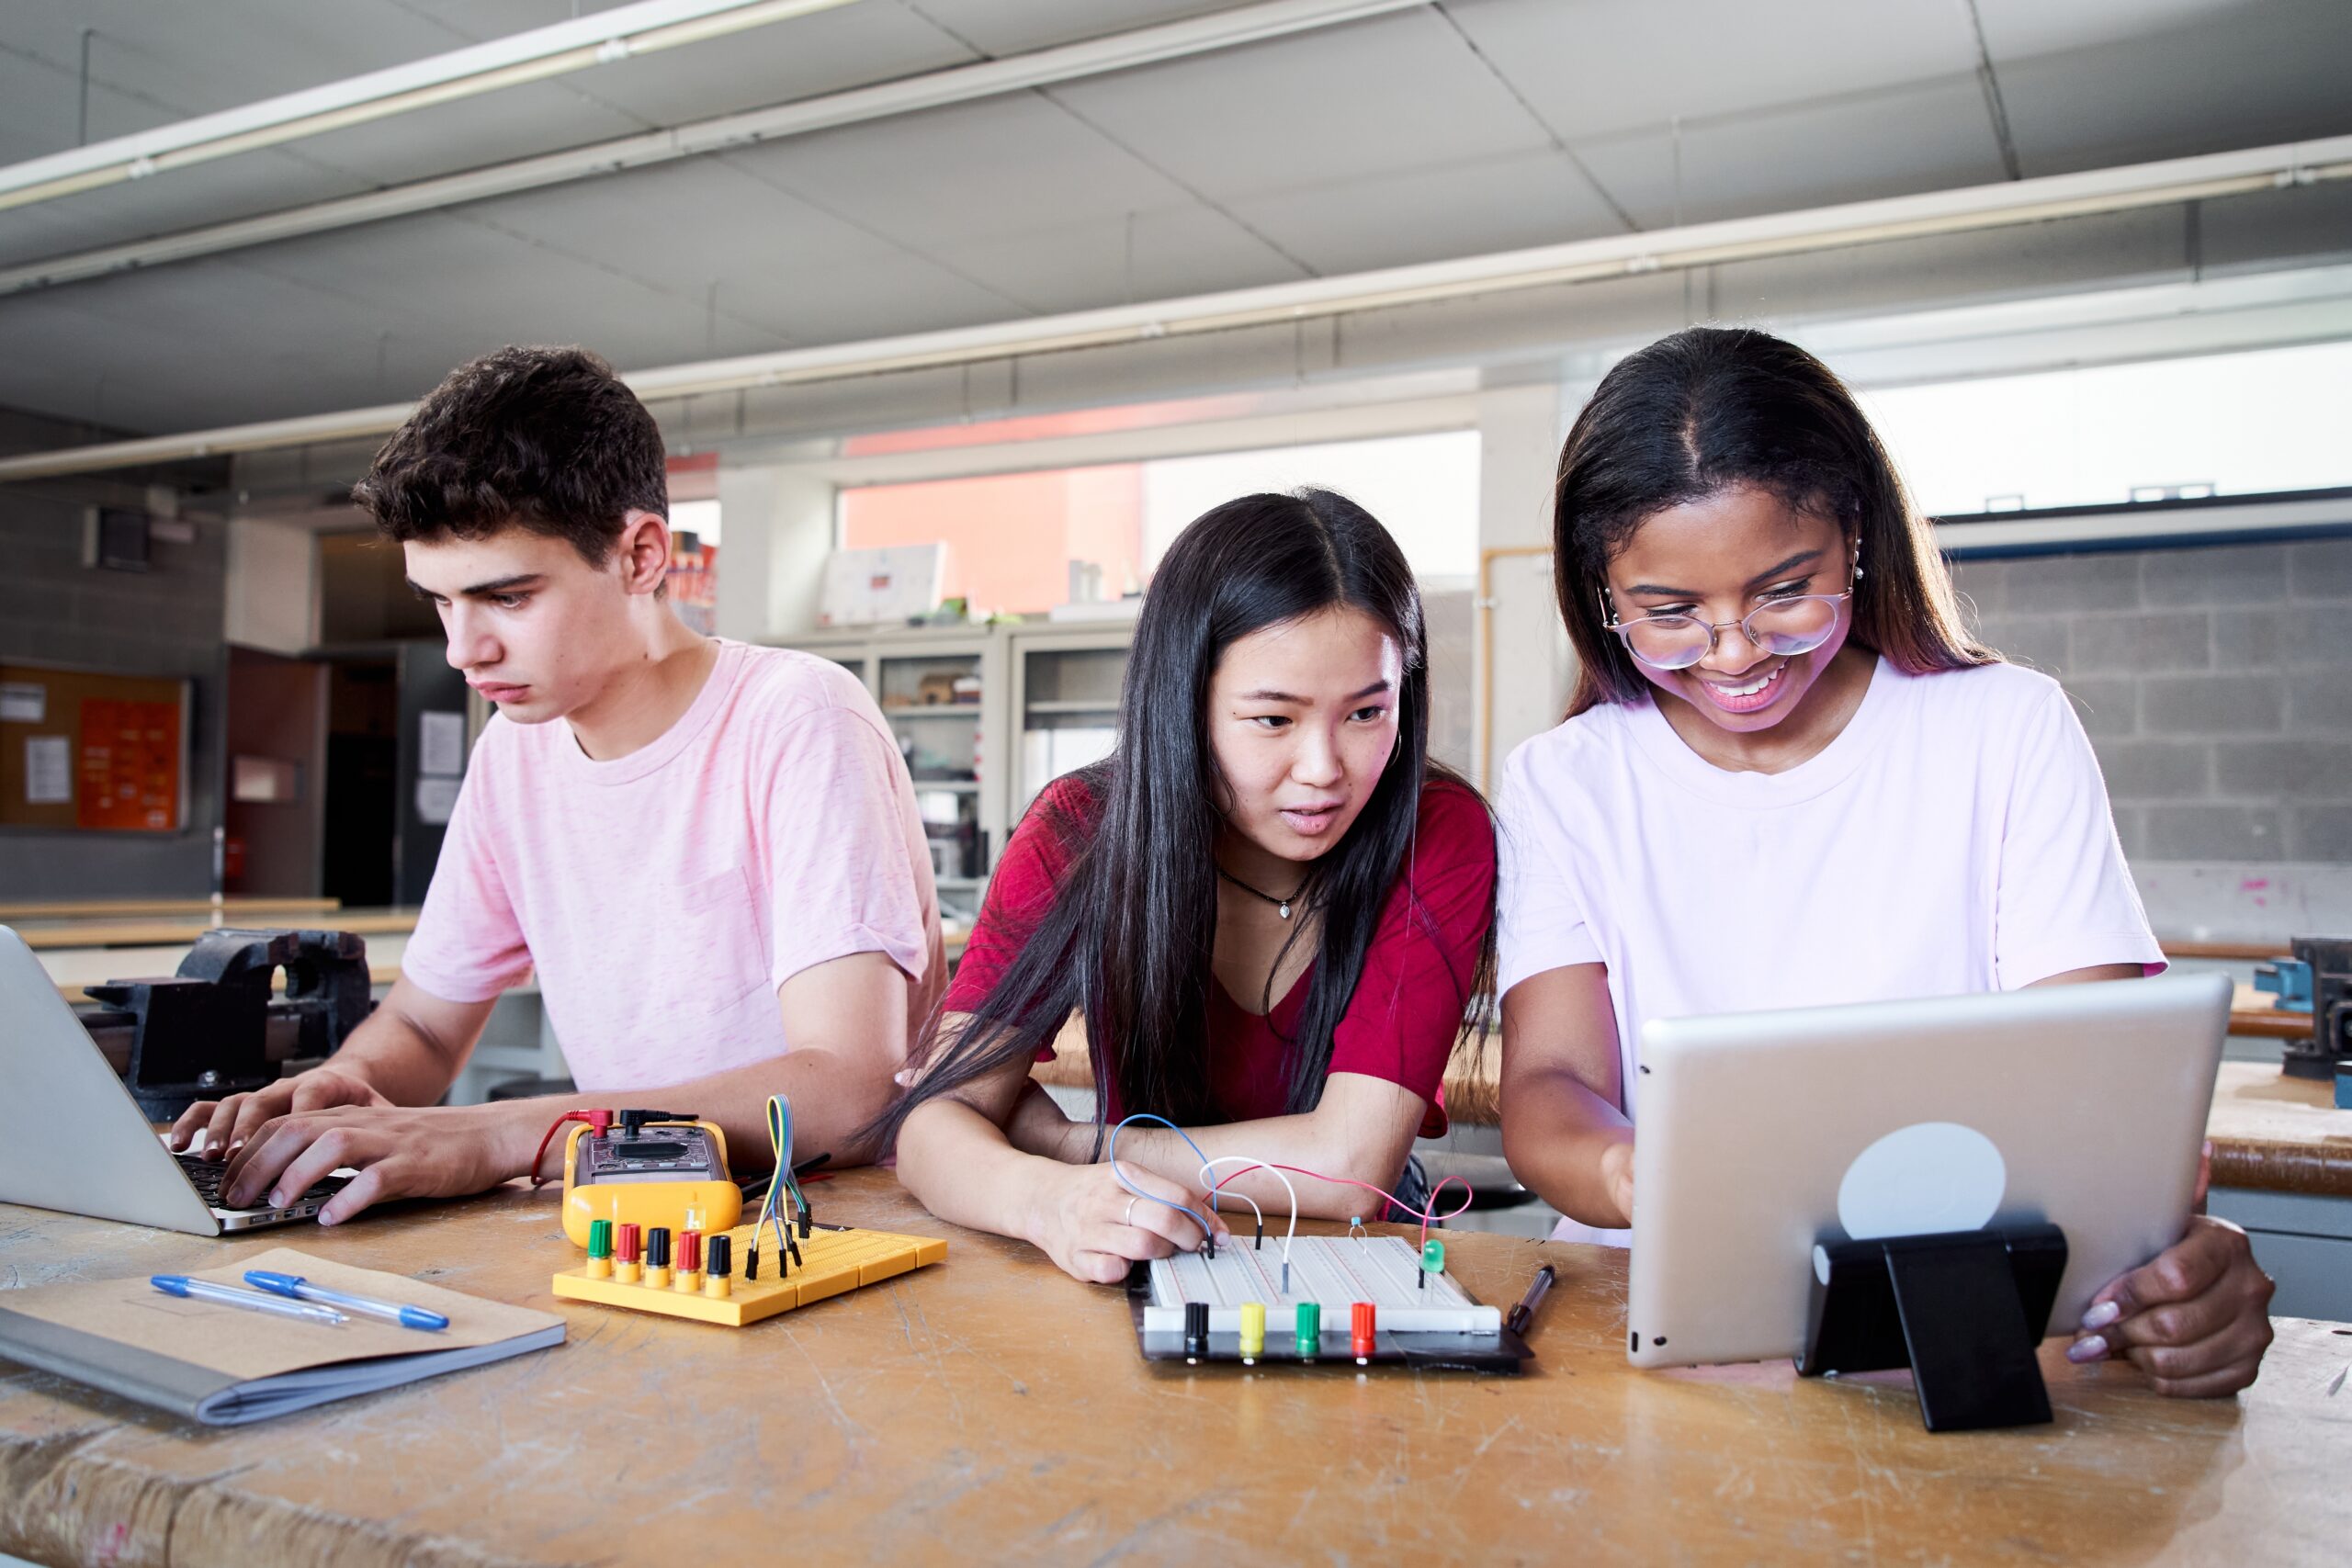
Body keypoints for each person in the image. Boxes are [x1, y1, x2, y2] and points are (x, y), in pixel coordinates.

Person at [1498, 326, 2275, 1397]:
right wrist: (1645, 1173)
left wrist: (2175, 1260)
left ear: (1855, 537)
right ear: (1600, 592)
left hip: (1959, 1318)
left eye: (1784, 590)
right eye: (1668, 613)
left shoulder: (2003, 728)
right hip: (1662, 1331)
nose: (1733, 653)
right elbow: (1551, 1087)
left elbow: (2092, 1090)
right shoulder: (1564, 781)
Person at [170, 345, 943, 1222]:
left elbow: (847, 1089)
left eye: (506, 597)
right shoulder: (514, 753)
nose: (465, 650)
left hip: (833, 1231)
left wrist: (506, 1135)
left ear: (641, 554)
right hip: (633, 1218)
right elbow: (425, 1027)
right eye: (441, 602)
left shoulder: (796, 717)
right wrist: (339, 1090)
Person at [887, 491, 1496, 1282]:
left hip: (1355, 1262)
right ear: (1186, 706)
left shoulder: (1438, 831)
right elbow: (933, 1124)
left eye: (1367, 713)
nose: (1323, 769)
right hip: (1136, 1234)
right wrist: (1047, 1200)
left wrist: (1071, 1141)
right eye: (1273, 720)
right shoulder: (1080, 830)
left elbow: (1350, 1168)